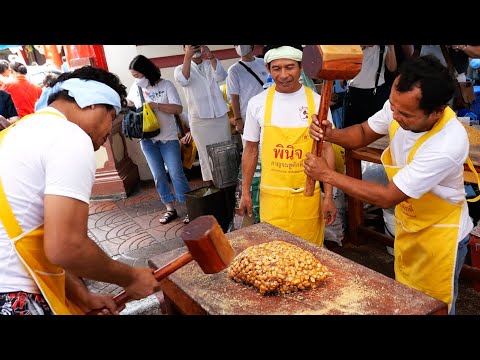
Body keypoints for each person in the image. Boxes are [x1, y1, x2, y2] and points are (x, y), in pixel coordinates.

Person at [305, 55, 474, 314]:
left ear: (437, 111)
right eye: (393, 108)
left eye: (405, 114)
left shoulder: (447, 143)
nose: (395, 116)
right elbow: (362, 132)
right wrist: (331, 134)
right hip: (410, 225)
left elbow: (387, 196)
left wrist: (327, 175)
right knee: (407, 301)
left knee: (433, 308)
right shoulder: (398, 104)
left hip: (441, 236)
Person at [0, 66, 160, 315]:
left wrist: (82, 296)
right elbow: (66, 245)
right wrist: (130, 277)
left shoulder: (17, 134)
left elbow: (35, 237)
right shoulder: (69, 137)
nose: (106, 135)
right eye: (112, 116)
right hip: (17, 298)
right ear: (94, 102)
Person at [239, 45, 337, 247]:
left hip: (307, 197)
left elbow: (326, 150)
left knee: (309, 255)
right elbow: (250, 149)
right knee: (275, 256)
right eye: (276, 68)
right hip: (272, 198)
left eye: (290, 67)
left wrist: (328, 196)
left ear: (301, 68)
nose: (283, 75)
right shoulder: (257, 103)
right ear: (268, 69)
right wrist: (246, 192)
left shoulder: (319, 102)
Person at [128, 55, 191, 225]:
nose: (136, 79)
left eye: (137, 75)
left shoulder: (166, 85)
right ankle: (170, 208)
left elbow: (178, 108)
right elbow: (130, 103)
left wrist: (157, 106)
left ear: (146, 72)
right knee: (158, 175)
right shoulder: (136, 88)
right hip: (147, 140)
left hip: (168, 138)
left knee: (176, 173)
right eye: (134, 77)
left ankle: (190, 208)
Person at [174, 45, 231, 185]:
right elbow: (183, 80)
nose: (195, 48)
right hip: (199, 119)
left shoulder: (210, 63)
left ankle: (229, 184)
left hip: (219, 116)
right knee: (206, 156)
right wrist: (187, 57)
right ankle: (212, 186)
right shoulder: (180, 68)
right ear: (184, 49)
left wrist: (210, 56)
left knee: (225, 152)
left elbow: (222, 76)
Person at [343, 45, 397, 128]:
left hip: (376, 93)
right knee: (350, 128)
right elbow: (345, 60)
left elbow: (392, 68)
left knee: (373, 128)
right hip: (354, 92)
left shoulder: (383, 47)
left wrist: (391, 47)